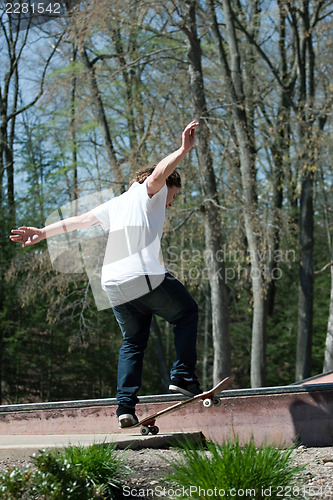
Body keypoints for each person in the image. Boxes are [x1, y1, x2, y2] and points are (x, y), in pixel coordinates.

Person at [10, 120, 201, 428]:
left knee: (133, 342)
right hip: (143, 276)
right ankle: (183, 375)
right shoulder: (149, 191)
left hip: (112, 285)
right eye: (173, 196)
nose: (171, 202)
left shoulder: (116, 203)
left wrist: (43, 232)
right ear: (167, 187)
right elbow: (157, 175)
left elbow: (79, 221)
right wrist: (182, 149)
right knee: (187, 312)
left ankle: (125, 407)